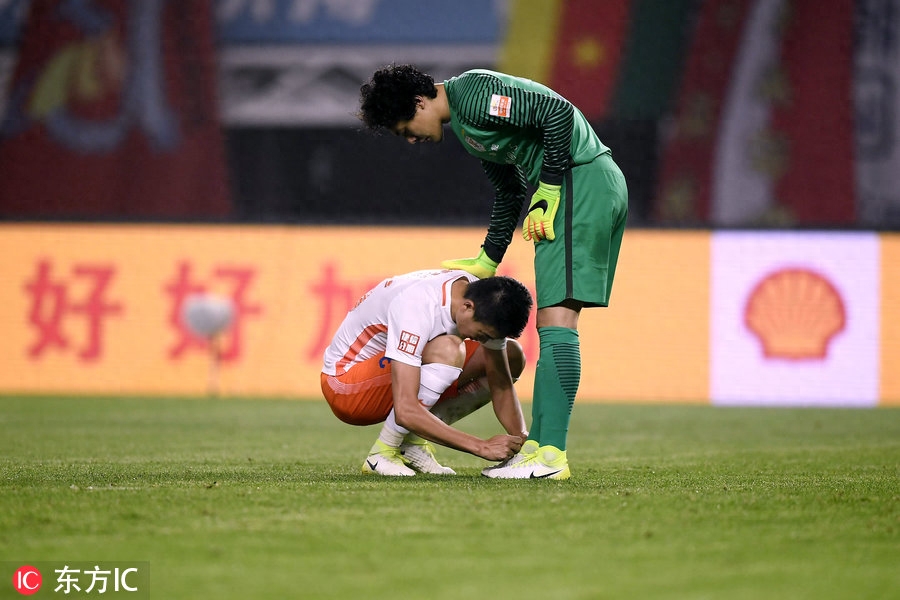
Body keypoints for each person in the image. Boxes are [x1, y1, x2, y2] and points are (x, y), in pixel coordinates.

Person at [358, 65, 628, 480]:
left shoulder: (474, 93)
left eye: (405, 127)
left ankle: (550, 456)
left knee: (558, 321)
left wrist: (551, 187)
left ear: (420, 101)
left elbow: (554, 112)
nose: (410, 138)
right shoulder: (468, 128)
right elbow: (509, 191)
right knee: (555, 320)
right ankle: (538, 447)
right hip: (581, 184)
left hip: (579, 182)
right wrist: (488, 257)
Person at [321, 269, 533, 476]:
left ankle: (411, 442)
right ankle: (382, 452)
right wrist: (481, 447)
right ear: (467, 307)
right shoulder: (416, 306)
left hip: (381, 375)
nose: (483, 341)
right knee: (449, 349)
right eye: (482, 334)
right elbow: (405, 409)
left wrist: (524, 445)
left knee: (511, 354)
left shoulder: (478, 297)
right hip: (345, 386)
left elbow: (501, 384)